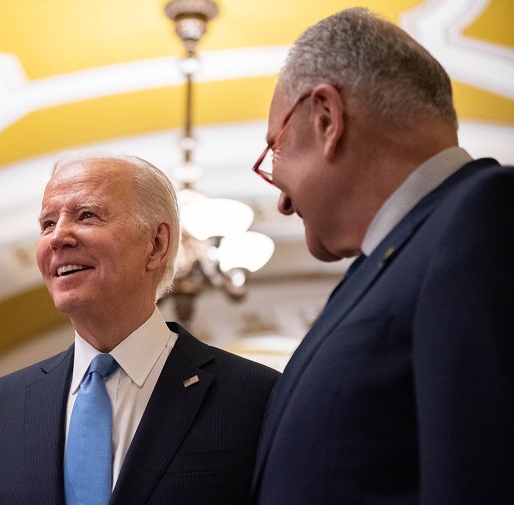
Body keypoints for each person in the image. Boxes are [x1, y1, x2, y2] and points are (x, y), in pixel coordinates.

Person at [249, 8, 514, 504]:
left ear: (327, 118)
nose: (280, 200)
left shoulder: (484, 218)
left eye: (275, 150)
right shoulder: (394, 261)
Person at [0, 152, 279, 505]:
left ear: (156, 245)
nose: (57, 238)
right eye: (47, 223)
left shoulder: (256, 396)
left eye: (86, 215)